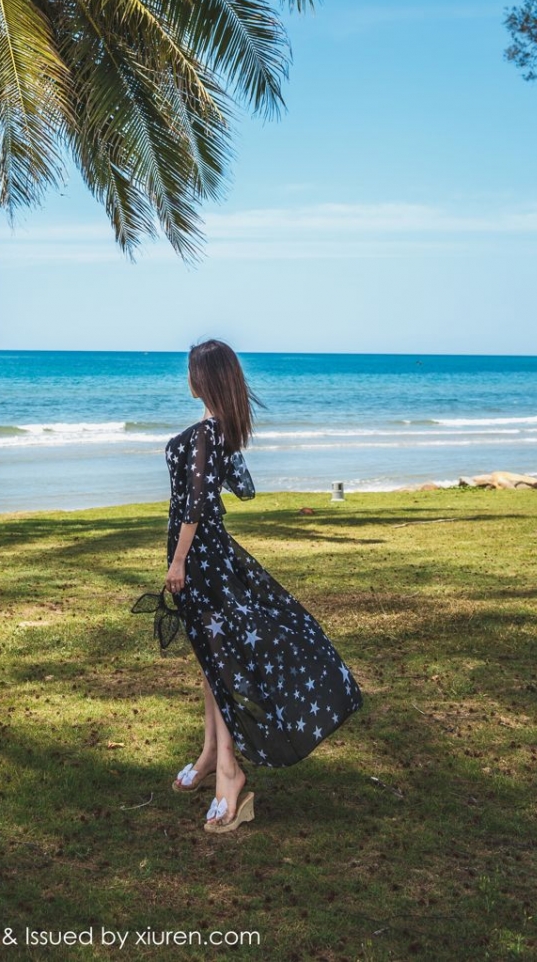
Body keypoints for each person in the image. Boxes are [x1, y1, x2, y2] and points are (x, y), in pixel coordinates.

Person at [163, 339, 363, 834]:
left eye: (192, 371)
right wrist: (229, 445)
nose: (187, 378)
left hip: (201, 562)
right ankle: (211, 752)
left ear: (202, 379)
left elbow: (196, 505)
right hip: (208, 559)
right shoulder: (216, 435)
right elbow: (246, 490)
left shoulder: (208, 434)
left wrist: (178, 561)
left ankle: (230, 771)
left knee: (222, 660)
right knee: (209, 659)